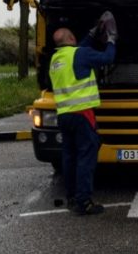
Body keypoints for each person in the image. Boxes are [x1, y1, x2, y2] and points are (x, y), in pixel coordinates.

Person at [49, 11, 117, 215]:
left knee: (69, 157)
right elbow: (107, 57)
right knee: (86, 157)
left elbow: (80, 51)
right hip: (82, 115)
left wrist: (92, 33)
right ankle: (85, 202)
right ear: (71, 39)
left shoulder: (56, 60)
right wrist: (111, 39)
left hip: (64, 116)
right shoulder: (80, 54)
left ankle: (71, 197)